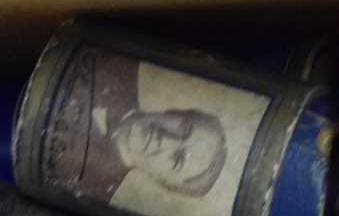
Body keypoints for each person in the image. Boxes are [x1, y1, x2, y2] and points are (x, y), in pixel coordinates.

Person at [47, 46, 228, 203]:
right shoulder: (118, 60)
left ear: (160, 180)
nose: (165, 139)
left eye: (177, 159)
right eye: (183, 128)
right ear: (174, 112)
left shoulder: (87, 192)